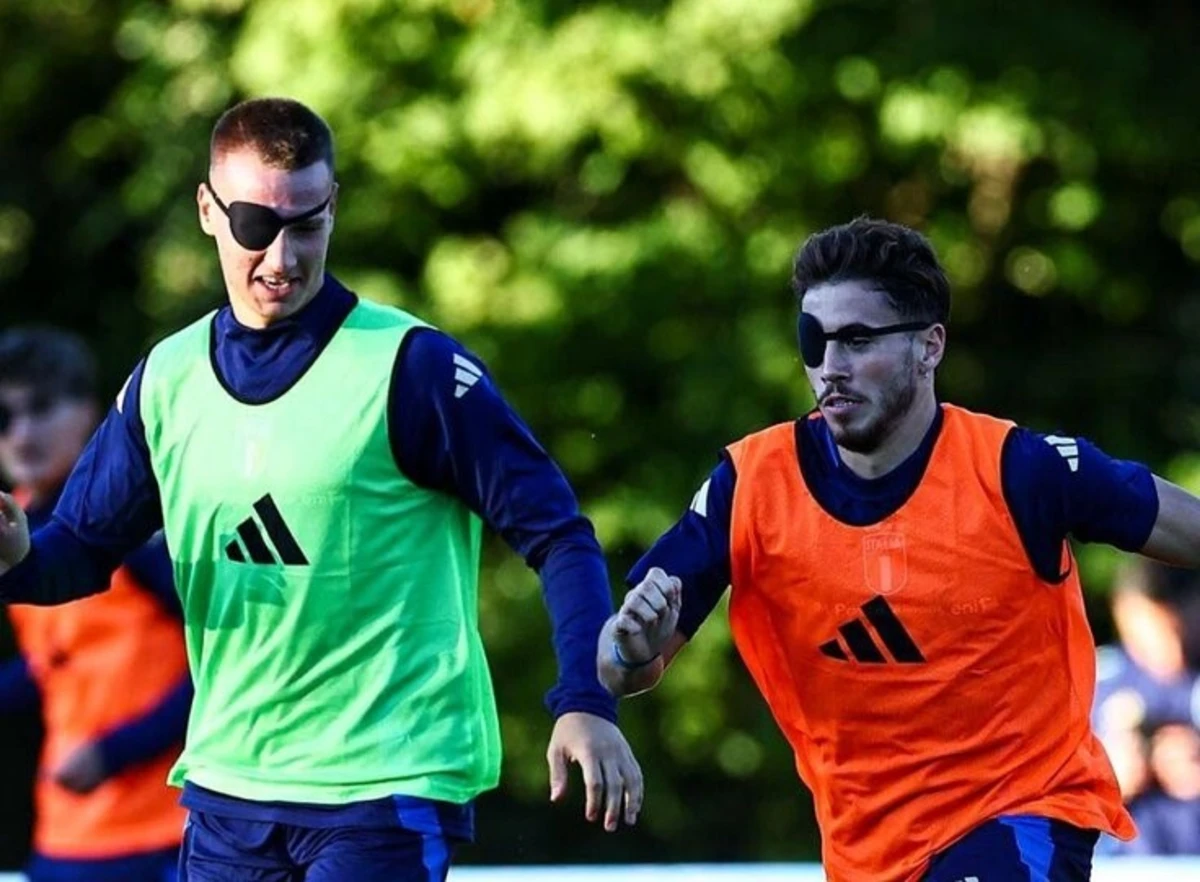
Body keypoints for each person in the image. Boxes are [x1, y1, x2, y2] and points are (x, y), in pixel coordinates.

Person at [0, 97, 640, 882]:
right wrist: (17, 556)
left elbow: (558, 534)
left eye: (307, 223)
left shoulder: (415, 368)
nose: (283, 256)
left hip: (385, 787)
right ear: (207, 210)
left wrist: (584, 695)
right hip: (227, 792)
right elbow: (79, 552)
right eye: (254, 226)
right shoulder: (166, 381)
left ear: (333, 206)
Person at [598, 217, 1200, 882]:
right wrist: (629, 645)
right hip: (866, 851)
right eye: (815, 341)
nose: (831, 367)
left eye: (857, 340)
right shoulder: (749, 486)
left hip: (1024, 810)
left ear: (930, 346)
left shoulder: (1017, 471)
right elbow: (625, 670)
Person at [0, 327, 189, 882]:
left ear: (88, 412)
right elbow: (56, 664)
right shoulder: (18, 531)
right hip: (69, 836)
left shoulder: (123, 522)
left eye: (41, 408)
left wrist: (114, 752)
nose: (22, 433)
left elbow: (228, 663)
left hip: (167, 831)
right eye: (4, 418)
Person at [1093, 560, 1200, 855]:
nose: (1174, 648)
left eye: (1180, 630)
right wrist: (1107, 778)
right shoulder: (1094, 682)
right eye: (1158, 630)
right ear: (1124, 611)